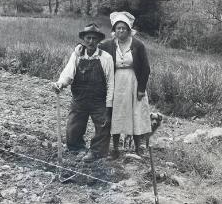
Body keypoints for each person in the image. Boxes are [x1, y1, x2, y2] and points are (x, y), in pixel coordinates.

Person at [53, 23, 114, 162]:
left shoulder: (106, 58)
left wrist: (109, 106)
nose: (91, 41)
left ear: (99, 40)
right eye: (88, 38)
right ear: (84, 39)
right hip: (79, 99)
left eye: (94, 38)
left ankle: (96, 152)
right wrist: (60, 84)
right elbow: (68, 74)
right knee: (73, 127)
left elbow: (111, 83)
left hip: (99, 100)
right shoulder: (77, 55)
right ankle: (76, 149)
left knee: (104, 125)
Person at [100, 11, 151, 158]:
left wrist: (141, 88)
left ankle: (138, 147)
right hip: (116, 82)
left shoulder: (138, 45)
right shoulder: (108, 45)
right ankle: (115, 149)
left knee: (135, 113)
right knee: (116, 113)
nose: (121, 31)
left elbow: (145, 68)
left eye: (124, 28)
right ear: (114, 31)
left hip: (133, 82)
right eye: (118, 28)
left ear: (129, 30)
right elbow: (96, 54)